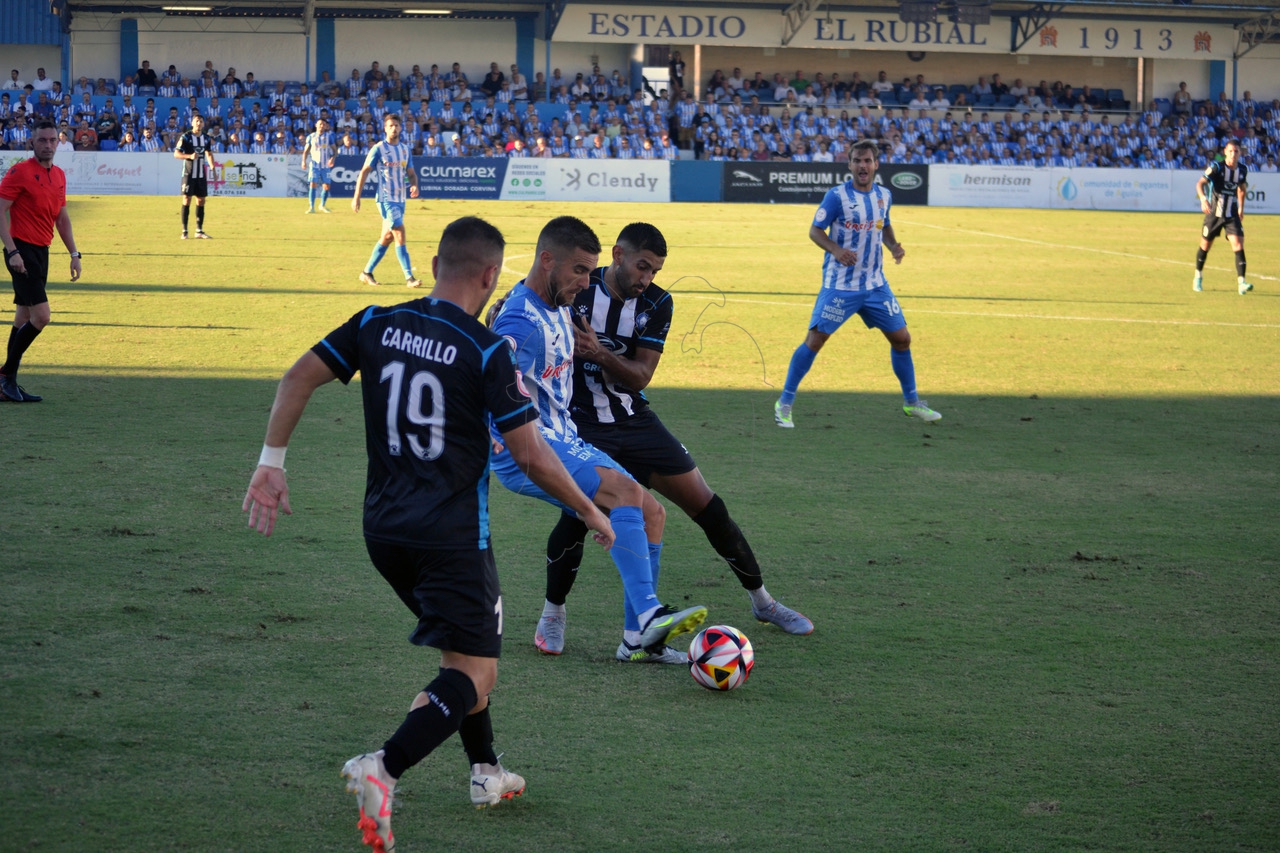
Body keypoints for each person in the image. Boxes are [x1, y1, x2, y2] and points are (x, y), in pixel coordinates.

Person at [243, 216, 614, 852]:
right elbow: (528, 455)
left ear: (437, 262)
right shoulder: (486, 349)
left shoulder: (372, 321)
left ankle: (485, 771)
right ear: (491, 274)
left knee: (459, 655)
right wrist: (587, 506)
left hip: (383, 530)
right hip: (450, 535)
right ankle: (383, 767)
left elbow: (296, 377)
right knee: (475, 674)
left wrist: (271, 465)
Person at [536, 222, 813, 661]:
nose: (647, 277)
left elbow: (641, 376)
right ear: (618, 254)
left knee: (707, 505)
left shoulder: (658, 302)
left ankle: (764, 602)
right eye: (642, 266)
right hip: (581, 426)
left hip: (635, 421)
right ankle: (553, 614)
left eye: (655, 269)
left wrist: (599, 353)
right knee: (577, 518)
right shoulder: (580, 288)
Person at [488, 216, 709, 660]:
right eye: (579, 272)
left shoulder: (557, 304)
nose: (587, 282)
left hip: (562, 435)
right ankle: (648, 614)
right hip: (527, 447)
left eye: (590, 272)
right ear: (547, 260)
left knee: (652, 513)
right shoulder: (519, 318)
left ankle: (636, 641)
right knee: (626, 491)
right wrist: (489, 429)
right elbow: (487, 368)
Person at [775, 139, 941, 428]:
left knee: (902, 339)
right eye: (857, 161)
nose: (862, 166)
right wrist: (837, 250)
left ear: (876, 164)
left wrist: (893, 246)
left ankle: (912, 403)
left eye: (867, 161)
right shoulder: (837, 196)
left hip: (876, 285)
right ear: (849, 165)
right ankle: (785, 403)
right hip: (840, 286)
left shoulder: (884, 195)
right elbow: (815, 231)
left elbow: (884, 224)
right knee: (815, 341)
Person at [0, 120, 82, 403]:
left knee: (23, 317)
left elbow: (61, 218)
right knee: (42, 317)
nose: (47, 145)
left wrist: (74, 254)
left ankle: (7, 384)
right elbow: (0, 211)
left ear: (57, 143)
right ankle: (4, 375)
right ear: (31, 143)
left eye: (51, 140)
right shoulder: (19, 172)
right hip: (21, 250)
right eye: (41, 141)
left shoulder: (59, 175)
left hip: (41, 251)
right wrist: (11, 251)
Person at [352, 113, 421, 288]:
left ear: (401, 127)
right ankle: (409, 278)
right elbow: (365, 171)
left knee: (388, 237)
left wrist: (414, 185)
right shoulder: (379, 149)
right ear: (385, 128)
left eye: (396, 125)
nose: (394, 128)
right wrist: (356, 197)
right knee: (400, 232)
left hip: (400, 199)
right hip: (385, 199)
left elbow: (411, 173)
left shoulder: (405, 149)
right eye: (390, 126)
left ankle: (366, 272)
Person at [1194, 139, 1252, 295]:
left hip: (1231, 214)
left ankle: (1241, 282)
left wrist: (1241, 208)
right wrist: (1203, 199)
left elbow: (1241, 189)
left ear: (1240, 153)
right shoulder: (1216, 167)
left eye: (1237, 151)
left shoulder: (1242, 170)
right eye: (1231, 151)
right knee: (1205, 246)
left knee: (1238, 245)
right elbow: (1200, 183)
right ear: (1225, 152)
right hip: (1214, 214)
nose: (1233, 154)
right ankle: (1198, 276)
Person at [175, 115, 215, 239]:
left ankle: (199, 231)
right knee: (187, 199)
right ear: (192, 123)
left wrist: (213, 167)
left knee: (201, 200)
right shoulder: (186, 137)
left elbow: (208, 153)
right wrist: (189, 156)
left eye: (201, 121)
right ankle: (184, 231)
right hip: (188, 173)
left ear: (203, 124)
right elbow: (176, 154)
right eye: (196, 121)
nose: (199, 123)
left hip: (201, 174)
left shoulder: (206, 138)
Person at [301, 116, 335, 214]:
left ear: (326, 126)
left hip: (325, 166)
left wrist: (333, 158)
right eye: (320, 124)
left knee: (327, 185)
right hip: (314, 165)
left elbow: (334, 150)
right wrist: (303, 161)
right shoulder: (311, 137)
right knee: (313, 183)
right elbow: (306, 151)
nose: (321, 126)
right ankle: (311, 207)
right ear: (316, 125)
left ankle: (322, 205)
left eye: (323, 125)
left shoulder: (329, 137)